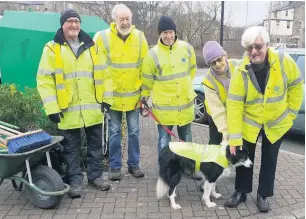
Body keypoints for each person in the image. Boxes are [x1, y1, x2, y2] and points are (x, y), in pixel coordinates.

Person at [225, 26, 304, 212]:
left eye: (258, 46)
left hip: (275, 122)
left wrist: (290, 114)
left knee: (270, 159)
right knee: (243, 156)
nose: (254, 51)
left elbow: (296, 86)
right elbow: (234, 104)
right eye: (249, 48)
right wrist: (235, 138)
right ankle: (241, 191)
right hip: (250, 121)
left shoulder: (284, 61)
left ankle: (263, 195)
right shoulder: (241, 69)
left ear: (267, 45)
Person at [37, 8, 111, 198]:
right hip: (67, 110)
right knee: (71, 149)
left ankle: (95, 177)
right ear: (62, 25)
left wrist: (107, 100)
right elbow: (44, 81)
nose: (73, 25)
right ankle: (75, 181)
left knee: (95, 145)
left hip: (93, 108)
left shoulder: (92, 47)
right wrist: (51, 108)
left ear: (80, 25)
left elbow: (105, 75)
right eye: (69, 21)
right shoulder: (52, 49)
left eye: (76, 21)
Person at [93, 4, 149, 181]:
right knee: (115, 132)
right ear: (114, 20)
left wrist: (145, 94)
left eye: (127, 19)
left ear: (131, 20)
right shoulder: (101, 38)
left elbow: (145, 67)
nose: (125, 22)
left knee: (134, 131)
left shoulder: (140, 37)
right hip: (112, 98)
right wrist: (101, 95)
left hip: (133, 97)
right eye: (121, 19)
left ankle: (134, 165)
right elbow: (96, 67)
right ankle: (115, 167)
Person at [141, 16, 197, 156]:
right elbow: (147, 81)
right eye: (165, 32)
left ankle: (187, 167)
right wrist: (144, 100)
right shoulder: (152, 54)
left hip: (185, 106)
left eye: (171, 32)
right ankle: (165, 171)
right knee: (164, 141)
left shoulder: (187, 48)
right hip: (164, 110)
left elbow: (192, 71)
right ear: (159, 34)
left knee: (186, 141)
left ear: (175, 32)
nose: (169, 36)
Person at [202, 41, 240, 145]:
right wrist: (225, 132)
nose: (218, 64)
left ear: (225, 56)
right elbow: (217, 110)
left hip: (235, 111)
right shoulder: (208, 81)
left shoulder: (237, 66)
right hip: (216, 115)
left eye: (219, 59)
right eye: (213, 63)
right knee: (215, 143)